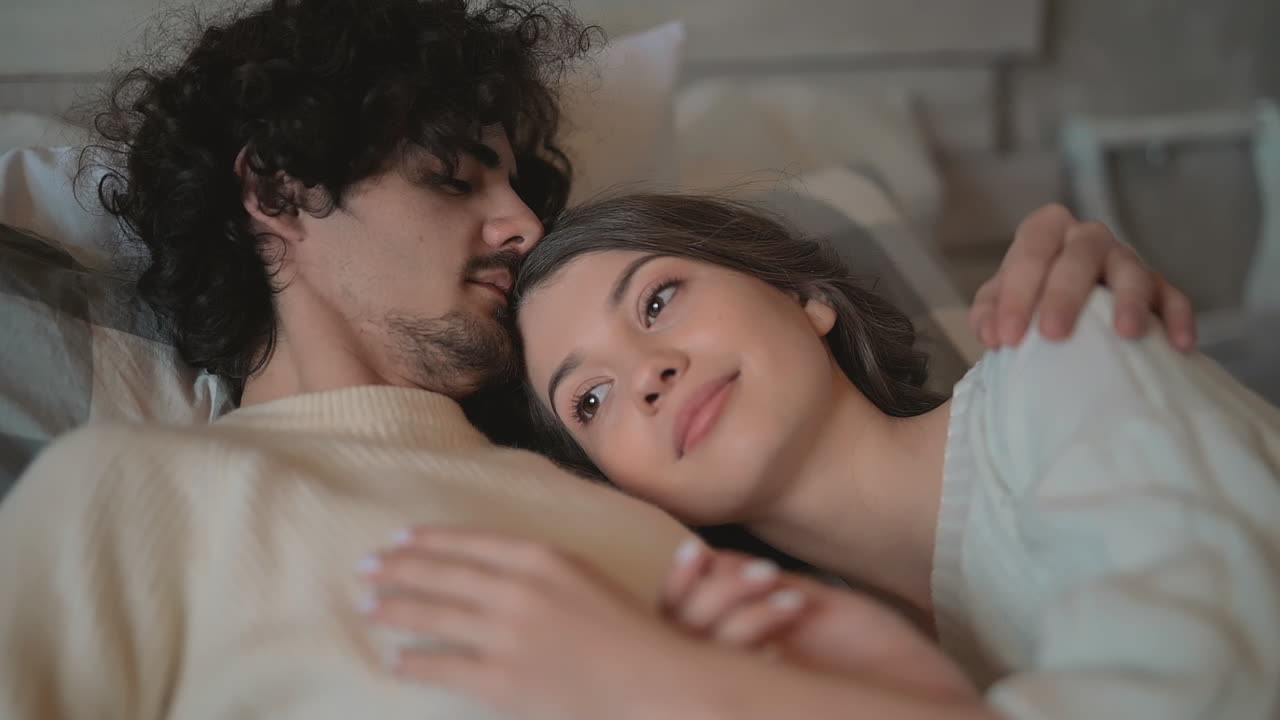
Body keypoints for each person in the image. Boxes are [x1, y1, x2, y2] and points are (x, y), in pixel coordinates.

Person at [0, 0, 1199, 717]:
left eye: (520, 187)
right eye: (455, 174)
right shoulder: (133, 495)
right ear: (274, 188)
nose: (520, 226)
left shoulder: (633, 482)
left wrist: (1086, 352)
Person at [359, 193, 1280, 720]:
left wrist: (671, 684)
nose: (645, 374)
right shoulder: (825, 660)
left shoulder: (1065, 357)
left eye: (657, 300)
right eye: (589, 400)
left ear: (806, 297)